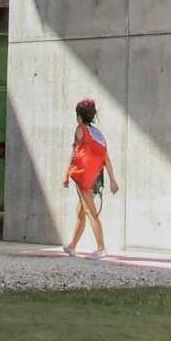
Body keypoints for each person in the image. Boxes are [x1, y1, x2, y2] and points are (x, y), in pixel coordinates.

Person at [63, 97, 117, 256]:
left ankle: (101, 249)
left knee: (90, 212)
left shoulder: (80, 129)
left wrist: (67, 175)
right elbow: (106, 158)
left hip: (84, 175)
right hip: (97, 176)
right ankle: (72, 246)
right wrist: (112, 180)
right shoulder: (98, 134)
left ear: (79, 116)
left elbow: (74, 154)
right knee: (81, 211)